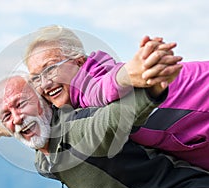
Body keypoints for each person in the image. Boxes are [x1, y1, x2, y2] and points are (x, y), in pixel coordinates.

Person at [0, 75, 209, 188]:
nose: (17, 118)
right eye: (6, 115)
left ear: (44, 102)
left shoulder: (74, 129)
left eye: (21, 104)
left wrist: (150, 90)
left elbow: (111, 120)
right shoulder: (43, 160)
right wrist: (3, 128)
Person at [24, 25, 209, 170]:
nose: (45, 84)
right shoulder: (72, 106)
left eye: (50, 69)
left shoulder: (92, 86)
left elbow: (103, 88)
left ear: (79, 62)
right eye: (36, 78)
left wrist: (129, 73)